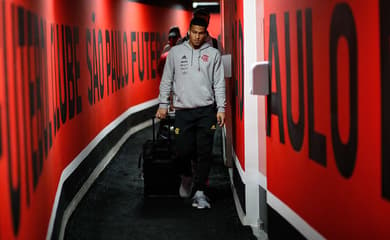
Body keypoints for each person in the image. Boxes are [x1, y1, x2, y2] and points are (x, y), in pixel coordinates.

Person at [156, 17, 226, 209]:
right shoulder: (176, 53)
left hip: (206, 111)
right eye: (194, 32)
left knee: (204, 152)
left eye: (201, 33)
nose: (197, 36)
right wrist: (163, 104)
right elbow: (166, 80)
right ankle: (186, 176)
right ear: (189, 32)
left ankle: (200, 192)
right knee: (182, 151)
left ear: (205, 34)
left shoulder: (213, 54)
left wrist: (221, 108)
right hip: (183, 111)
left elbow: (219, 83)